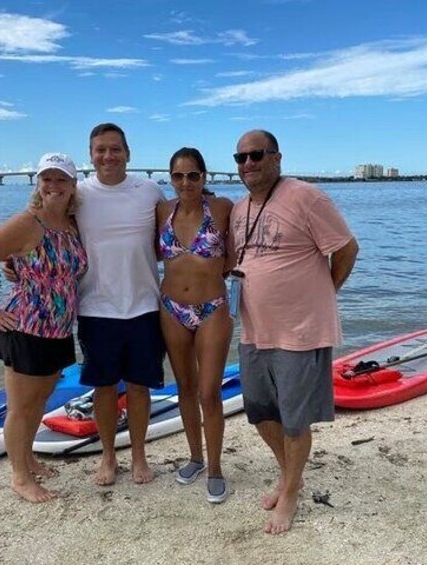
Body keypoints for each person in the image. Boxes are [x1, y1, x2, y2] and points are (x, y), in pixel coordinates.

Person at [2, 123, 166, 486]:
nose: (108, 156)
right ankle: (109, 458)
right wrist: (14, 260)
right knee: (104, 389)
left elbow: (173, 236)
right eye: (100, 150)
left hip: (144, 306)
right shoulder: (79, 195)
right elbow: (42, 226)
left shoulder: (150, 191)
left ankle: (139, 456)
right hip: (94, 308)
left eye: (115, 149)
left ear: (128, 153)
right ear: (90, 156)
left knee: (139, 388)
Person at [229, 130, 359, 534]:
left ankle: (289, 494)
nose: (248, 163)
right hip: (254, 331)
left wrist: (323, 294)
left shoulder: (306, 197)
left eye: (256, 155)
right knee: (260, 413)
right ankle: (291, 477)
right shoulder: (239, 209)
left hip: (300, 332)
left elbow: (347, 249)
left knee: (294, 421)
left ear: (277, 158)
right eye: (240, 157)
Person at [0, 152, 87, 503]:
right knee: (21, 406)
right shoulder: (28, 223)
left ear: (72, 185)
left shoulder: (70, 224)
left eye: (61, 179)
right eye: (46, 179)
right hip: (26, 327)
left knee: (40, 399)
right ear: (38, 183)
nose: (53, 185)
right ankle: (19, 476)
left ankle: (29, 457)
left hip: (59, 329)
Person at [157, 147, 234, 503]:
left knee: (209, 392)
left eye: (192, 175)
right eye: (178, 176)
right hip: (171, 307)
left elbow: (238, 254)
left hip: (212, 308)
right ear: (170, 178)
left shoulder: (222, 209)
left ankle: (216, 467)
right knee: (184, 389)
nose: (185, 182)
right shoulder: (161, 211)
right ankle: (195, 458)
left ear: (204, 177)